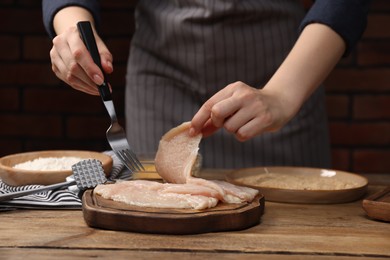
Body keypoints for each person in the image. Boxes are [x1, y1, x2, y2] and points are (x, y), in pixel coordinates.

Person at [42, 0, 371, 169]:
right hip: (162, 79)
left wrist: (282, 95)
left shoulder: (283, 90)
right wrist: (71, 25)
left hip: (284, 72)